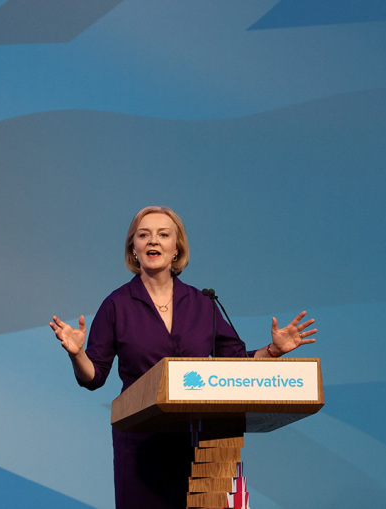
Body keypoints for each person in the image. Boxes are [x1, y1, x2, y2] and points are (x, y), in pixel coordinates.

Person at [49, 206, 317, 509]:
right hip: (140, 444)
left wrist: (273, 351)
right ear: (133, 248)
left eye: (163, 235)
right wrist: (77, 354)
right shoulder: (116, 304)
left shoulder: (202, 303)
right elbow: (94, 376)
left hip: (201, 442)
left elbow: (236, 362)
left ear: (176, 248)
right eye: (144, 235)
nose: (153, 241)